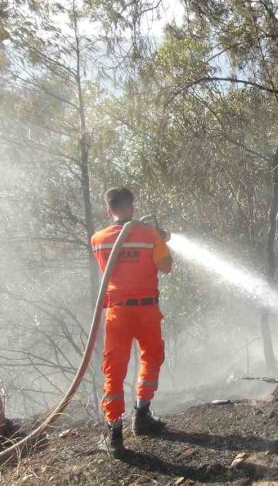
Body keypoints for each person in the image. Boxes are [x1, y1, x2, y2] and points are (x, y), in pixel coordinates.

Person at [91, 187, 173, 456]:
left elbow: (109, 270)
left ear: (108, 210)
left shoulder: (98, 239)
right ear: (132, 207)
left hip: (117, 313)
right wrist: (161, 241)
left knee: (114, 370)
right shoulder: (149, 235)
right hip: (147, 311)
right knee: (151, 358)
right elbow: (167, 266)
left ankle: (114, 433)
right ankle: (142, 415)